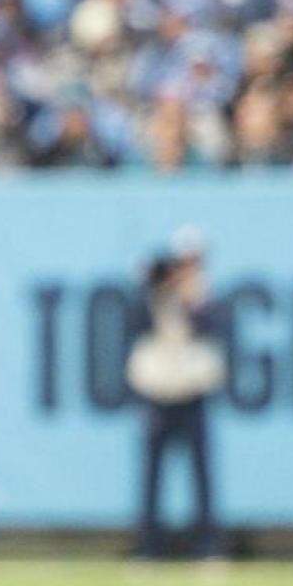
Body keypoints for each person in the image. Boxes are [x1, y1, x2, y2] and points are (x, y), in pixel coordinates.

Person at [127, 229, 224, 559]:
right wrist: (155, 289)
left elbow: (210, 328)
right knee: (153, 475)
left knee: (201, 473)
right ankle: (149, 547)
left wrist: (190, 299)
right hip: (158, 392)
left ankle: (207, 546)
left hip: (192, 391)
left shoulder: (202, 293)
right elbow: (137, 323)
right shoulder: (155, 294)